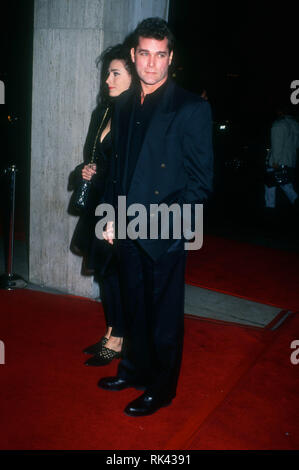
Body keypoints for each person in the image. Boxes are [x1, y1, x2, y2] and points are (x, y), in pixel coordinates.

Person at [98, 18, 214, 416]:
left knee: (163, 316)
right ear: (134, 55)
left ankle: (162, 388)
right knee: (133, 307)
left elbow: (200, 182)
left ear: (170, 58)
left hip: (165, 229)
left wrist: (170, 229)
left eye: (159, 55)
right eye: (144, 54)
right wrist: (112, 218)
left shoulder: (191, 107)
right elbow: (121, 170)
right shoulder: (126, 104)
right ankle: (132, 369)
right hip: (126, 225)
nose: (151, 64)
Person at [70, 44, 133, 366]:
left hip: (120, 207)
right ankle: (111, 331)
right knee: (106, 275)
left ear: (133, 76)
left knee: (117, 273)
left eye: (115, 73)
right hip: (99, 203)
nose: (107, 79)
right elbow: (97, 157)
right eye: (107, 72)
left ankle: (120, 339)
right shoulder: (104, 111)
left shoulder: (136, 115)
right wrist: (85, 169)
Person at [264, 104, 299, 210]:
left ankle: (270, 210)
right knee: (287, 186)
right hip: (290, 160)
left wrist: (275, 161)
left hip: (278, 162)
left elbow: (277, 145)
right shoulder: (295, 124)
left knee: (270, 186)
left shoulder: (279, 125)